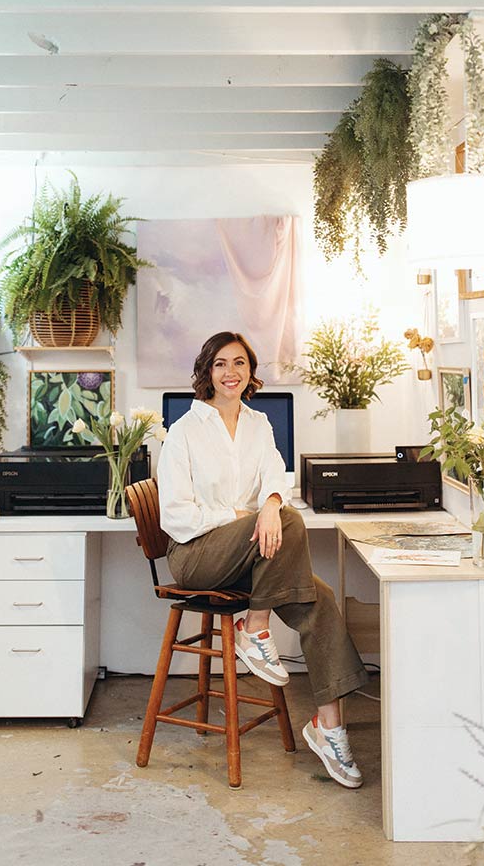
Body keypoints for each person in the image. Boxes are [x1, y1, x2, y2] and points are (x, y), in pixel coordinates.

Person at [156, 330, 369, 789]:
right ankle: (254, 627)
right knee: (288, 521)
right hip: (196, 556)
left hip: (252, 557)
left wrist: (269, 502)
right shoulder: (184, 433)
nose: (230, 373)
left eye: (239, 363)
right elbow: (175, 515)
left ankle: (328, 727)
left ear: (251, 371)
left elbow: (276, 472)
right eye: (220, 364)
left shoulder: (258, 424)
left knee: (320, 599)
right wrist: (238, 515)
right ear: (206, 373)